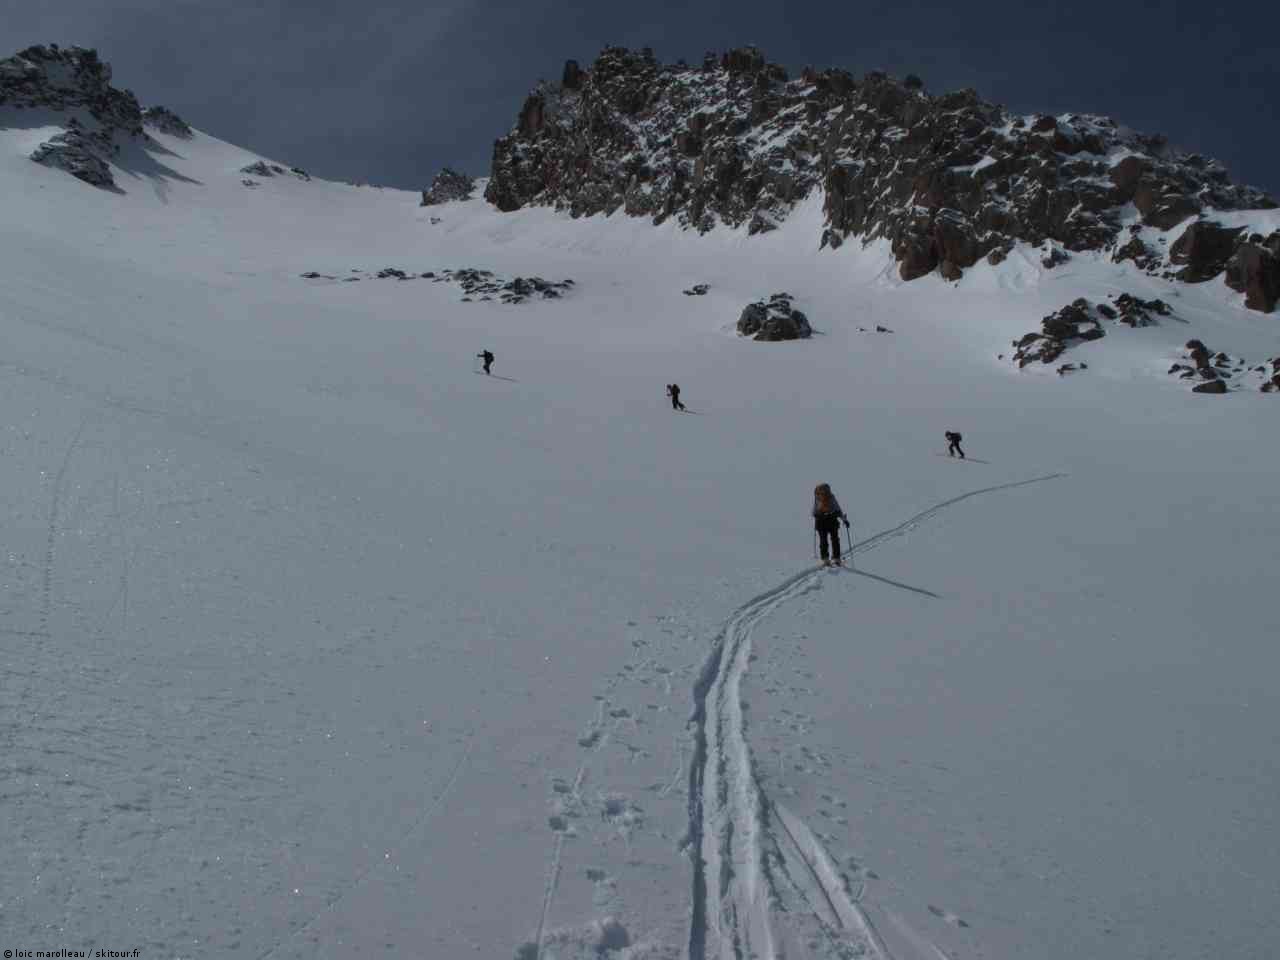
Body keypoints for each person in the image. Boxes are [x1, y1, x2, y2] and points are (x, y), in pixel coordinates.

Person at [812, 483, 850, 566]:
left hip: (821, 522)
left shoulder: (817, 498)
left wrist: (816, 515)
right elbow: (838, 509)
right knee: (835, 540)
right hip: (832, 521)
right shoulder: (831, 497)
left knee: (823, 540)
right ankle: (836, 558)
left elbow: (814, 511)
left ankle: (825, 559)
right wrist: (844, 520)